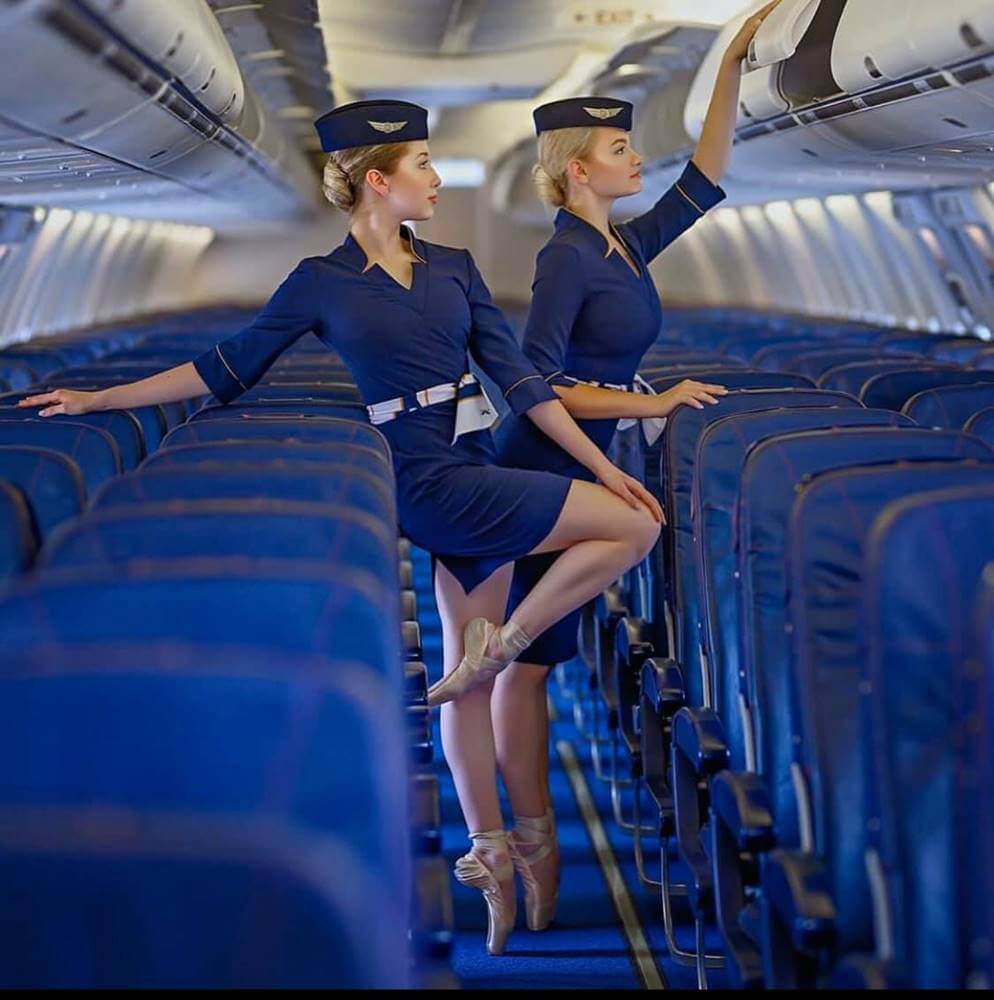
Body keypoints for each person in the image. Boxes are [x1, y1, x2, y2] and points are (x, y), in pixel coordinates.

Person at [18, 98, 664, 956]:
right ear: (375, 181)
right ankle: (506, 648)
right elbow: (225, 367)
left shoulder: (456, 266)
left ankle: (497, 856)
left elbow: (523, 385)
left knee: (478, 665)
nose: (436, 180)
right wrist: (99, 397)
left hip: (468, 464)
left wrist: (607, 462)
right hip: (409, 475)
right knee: (622, 535)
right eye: (422, 166)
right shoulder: (320, 283)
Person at [489, 1, 780, 934]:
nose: (634, 156)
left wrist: (732, 52)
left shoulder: (626, 245)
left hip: (589, 453)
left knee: (540, 658)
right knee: (528, 665)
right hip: (542, 460)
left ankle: (530, 848)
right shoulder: (565, 258)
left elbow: (709, 169)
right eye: (618, 148)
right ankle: (534, 848)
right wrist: (650, 405)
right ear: (579, 169)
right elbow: (532, 381)